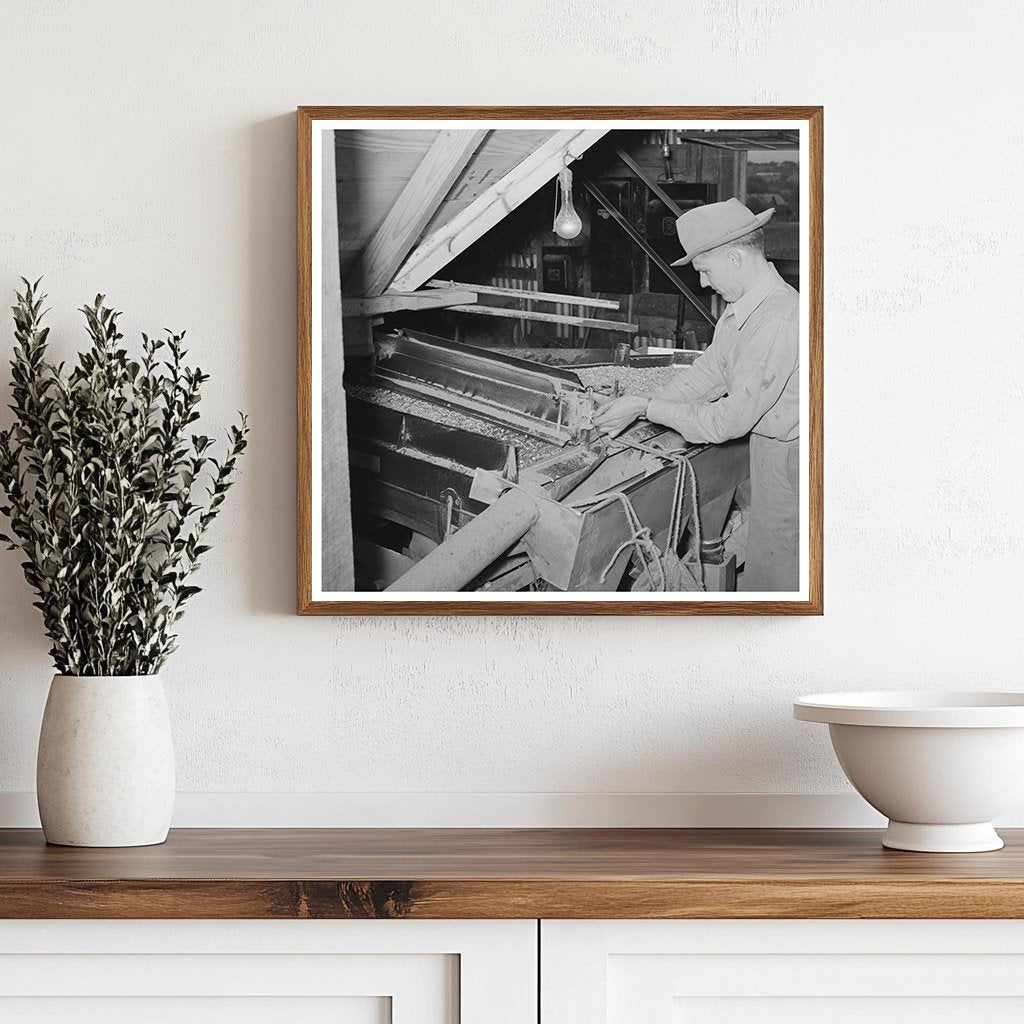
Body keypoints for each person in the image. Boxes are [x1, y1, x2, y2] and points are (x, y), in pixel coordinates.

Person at [592, 198, 799, 592]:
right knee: (766, 548)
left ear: (735, 259)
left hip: (791, 458)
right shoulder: (743, 306)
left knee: (778, 574)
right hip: (769, 448)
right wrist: (641, 410)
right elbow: (708, 373)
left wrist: (647, 406)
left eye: (705, 270)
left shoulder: (776, 320)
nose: (703, 283)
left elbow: (726, 422)